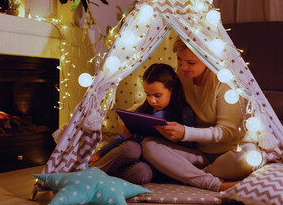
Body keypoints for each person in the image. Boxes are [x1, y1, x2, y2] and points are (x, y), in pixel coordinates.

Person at [142, 39, 255, 192]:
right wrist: (131, 116)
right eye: (180, 60)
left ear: (207, 58)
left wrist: (185, 132)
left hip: (228, 153)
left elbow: (227, 132)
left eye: (191, 62)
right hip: (199, 154)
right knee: (149, 145)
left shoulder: (225, 83)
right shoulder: (183, 73)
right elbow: (162, 98)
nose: (183, 67)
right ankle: (210, 181)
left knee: (246, 159)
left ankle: (186, 175)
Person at [88, 63, 196, 184]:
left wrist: (174, 137)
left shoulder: (184, 113)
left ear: (172, 90)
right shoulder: (145, 110)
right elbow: (122, 137)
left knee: (142, 173)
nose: (152, 100)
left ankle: (102, 175)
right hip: (135, 154)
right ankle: (90, 173)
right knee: (132, 148)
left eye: (157, 95)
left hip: (157, 165)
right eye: (148, 95)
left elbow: (189, 146)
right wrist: (100, 153)